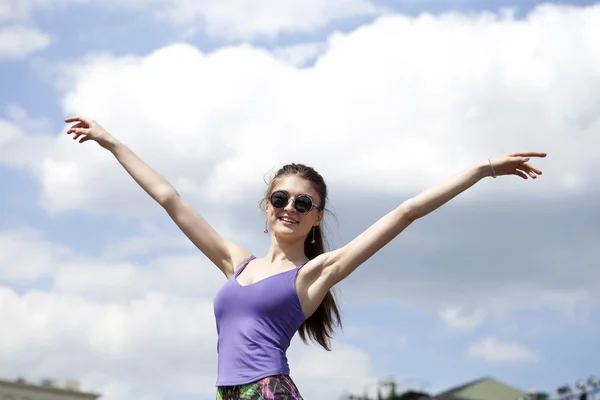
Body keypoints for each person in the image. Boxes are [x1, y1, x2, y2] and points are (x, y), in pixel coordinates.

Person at [64, 116, 546, 400]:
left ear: (317, 217)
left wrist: (483, 169)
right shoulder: (238, 262)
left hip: (268, 392)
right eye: (280, 198)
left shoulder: (314, 275)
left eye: (303, 203)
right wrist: (113, 144)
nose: (289, 208)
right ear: (266, 205)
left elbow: (405, 213)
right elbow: (169, 198)